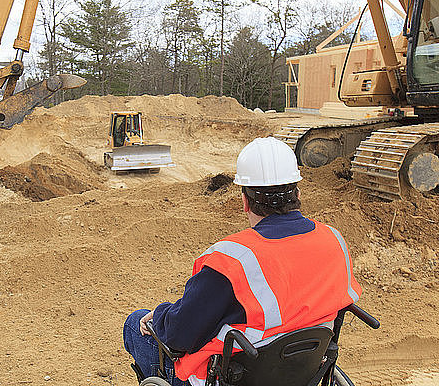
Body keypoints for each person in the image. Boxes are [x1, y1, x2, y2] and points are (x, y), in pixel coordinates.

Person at [123, 137, 362, 386]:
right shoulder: (334, 240)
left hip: (233, 377)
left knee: (134, 324)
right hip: (304, 370)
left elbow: (178, 336)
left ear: (244, 201)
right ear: (298, 194)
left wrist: (160, 315)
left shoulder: (231, 260)